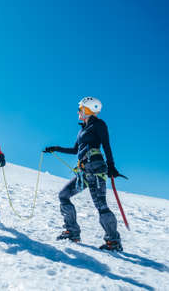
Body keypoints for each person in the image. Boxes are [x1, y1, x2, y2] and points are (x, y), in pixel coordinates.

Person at [43, 97, 123, 251]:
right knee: (63, 195)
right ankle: (72, 232)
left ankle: (113, 242)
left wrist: (111, 166)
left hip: (96, 168)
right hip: (84, 171)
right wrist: (55, 148)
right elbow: (75, 150)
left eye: (80, 108)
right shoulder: (82, 130)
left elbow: (106, 145)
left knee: (101, 205)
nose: (78, 111)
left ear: (87, 110)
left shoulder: (99, 125)